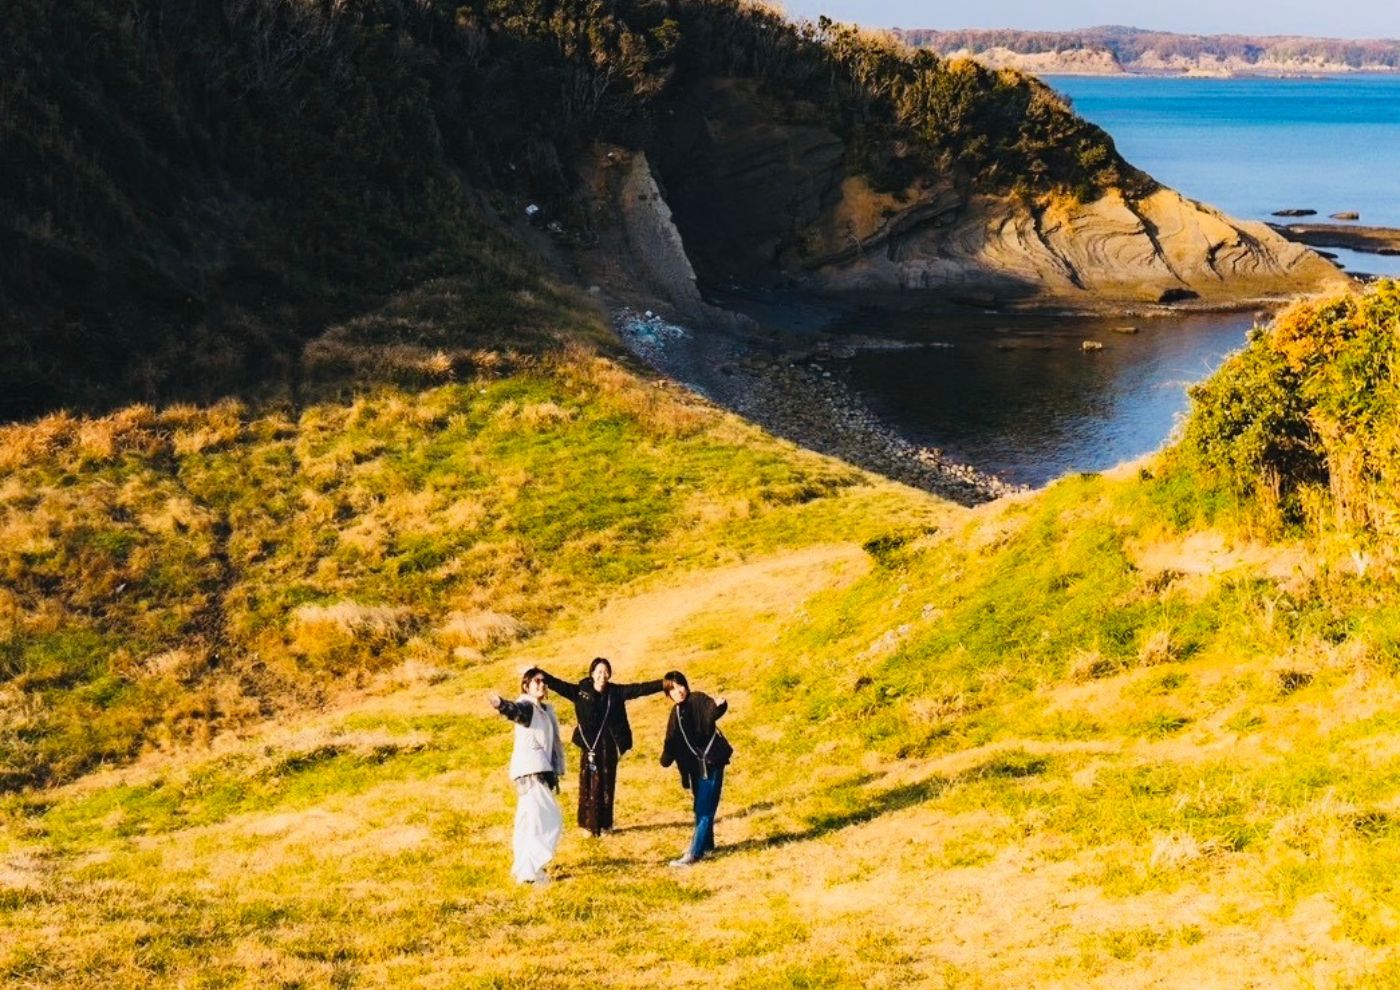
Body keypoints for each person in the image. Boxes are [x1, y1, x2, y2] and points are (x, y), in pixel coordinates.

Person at [541, 658, 663, 837]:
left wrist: (664, 684)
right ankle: (587, 825)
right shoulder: (580, 691)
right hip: (589, 747)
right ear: (592, 673)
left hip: (608, 746)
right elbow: (557, 684)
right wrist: (539, 673)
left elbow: (640, 689)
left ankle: (606, 824)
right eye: (599, 672)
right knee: (588, 784)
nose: (602, 676)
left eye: (606, 672)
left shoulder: (615, 692)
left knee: (607, 784)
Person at [488, 666, 567, 884]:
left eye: (543, 681)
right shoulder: (529, 707)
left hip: (531, 772)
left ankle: (523, 869)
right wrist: (501, 705)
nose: (542, 685)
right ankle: (532, 872)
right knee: (549, 821)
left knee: (527, 822)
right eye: (536, 682)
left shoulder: (543, 710)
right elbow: (516, 711)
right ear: (526, 686)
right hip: (532, 773)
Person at [658, 670, 733, 867]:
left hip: (712, 763)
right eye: (672, 689)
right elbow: (671, 739)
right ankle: (707, 846)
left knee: (705, 809)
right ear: (668, 694)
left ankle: (694, 854)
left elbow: (711, 712)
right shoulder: (675, 713)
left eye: (680, 686)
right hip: (696, 768)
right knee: (700, 807)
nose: (678, 691)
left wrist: (719, 705)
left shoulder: (697, 699)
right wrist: (665, 759)